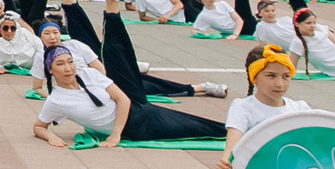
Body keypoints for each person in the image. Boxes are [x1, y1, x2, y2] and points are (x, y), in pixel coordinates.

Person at [29, 44, 224, 149]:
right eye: (60, 64)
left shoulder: (89, 74)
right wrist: (50, 136)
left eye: (70, 62)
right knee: (194, 129)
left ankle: (236, 131)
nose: (68, 68)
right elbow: (39, 126)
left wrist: (115, 135)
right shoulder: (56, 100)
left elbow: (123, 99)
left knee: (200, 126)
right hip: (136, 128)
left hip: (139, 112)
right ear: (51, 71)